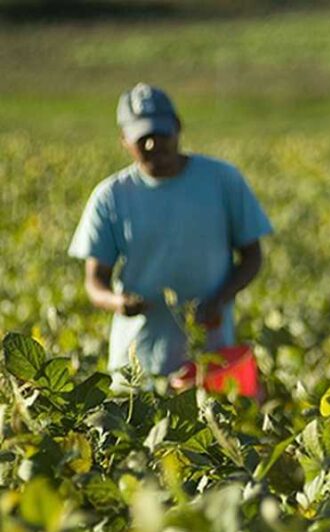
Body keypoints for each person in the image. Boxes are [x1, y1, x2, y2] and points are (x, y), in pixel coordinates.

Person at [69, 83, 273, 379]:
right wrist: (119, 303)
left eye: (160, 134)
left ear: (177, 128)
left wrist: (220, 298)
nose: (153, 145)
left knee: (212, 420)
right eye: (143, 137)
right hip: (137, 360)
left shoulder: (221, 180)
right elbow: (95, 282)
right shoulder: (111, 196)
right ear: (123, 140)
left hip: (210, 355)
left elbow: (252, 256)